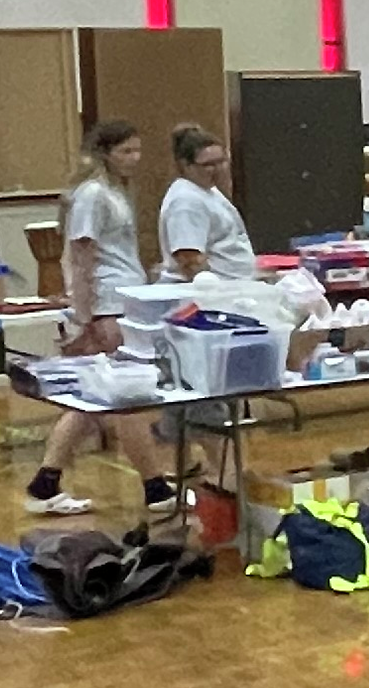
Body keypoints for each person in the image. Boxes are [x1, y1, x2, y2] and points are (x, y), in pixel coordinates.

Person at [28, 119, 172, 518]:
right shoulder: (92, 195)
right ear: (106, 153)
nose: (134, 159)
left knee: (94, 394)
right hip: (109, 303)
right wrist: (85, 313)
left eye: (138, 151)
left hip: (124, 294)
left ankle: (45, 481)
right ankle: (155, 487)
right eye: (126, 151)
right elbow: (81, 254)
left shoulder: (115, 193)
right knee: (128, 397)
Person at [156, 124, 256, 280]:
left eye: (221, 161)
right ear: (186, 165)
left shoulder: (209, 191)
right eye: (208, 165)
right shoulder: (186, 201)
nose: (218, 169)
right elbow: (189, 259)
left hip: (233, 286)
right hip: (212, 293)